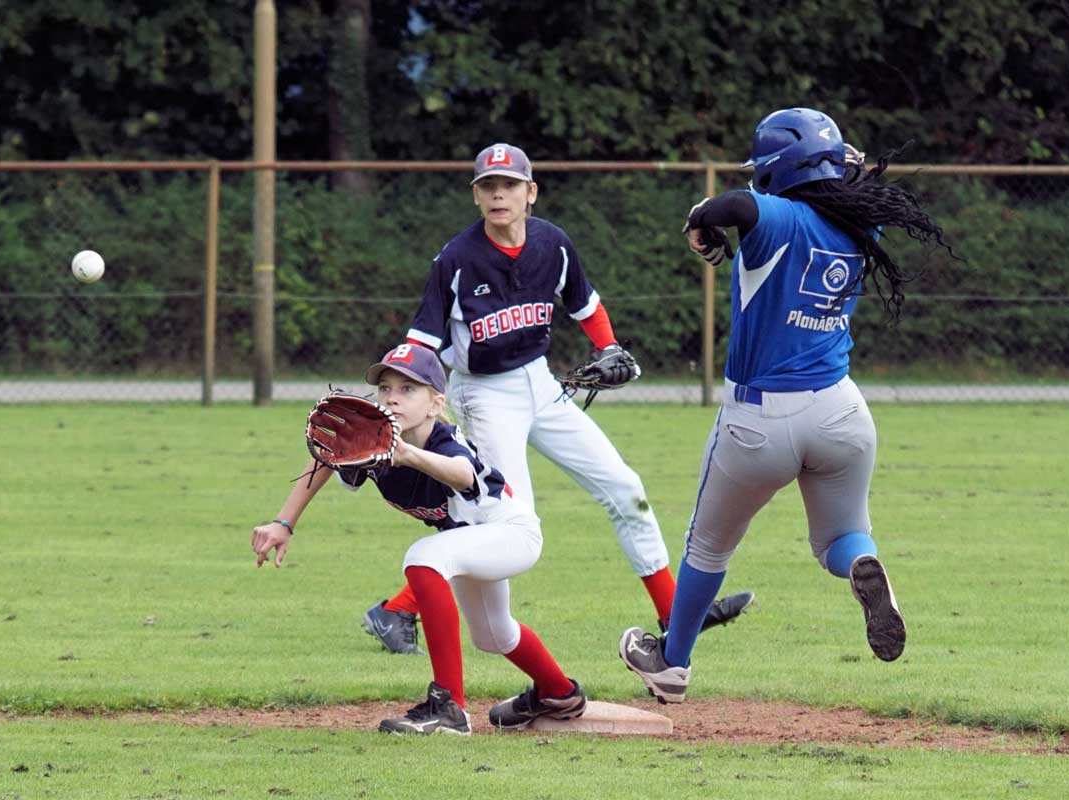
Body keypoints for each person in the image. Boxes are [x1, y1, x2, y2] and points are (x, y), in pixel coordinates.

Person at [360, 142, 755, 656]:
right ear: (477, 198)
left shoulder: (554, 244)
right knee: (505, 517)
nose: (498, 194)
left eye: (509, 185)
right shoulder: (457, 260)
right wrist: (393, 401)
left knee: (626, 488)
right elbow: (421, 343)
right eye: (487, 187)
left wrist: (608, 346)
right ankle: (396, 610)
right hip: (483, 393)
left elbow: (585, 304)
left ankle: (676, 615)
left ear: (531, 193)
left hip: (541, 384)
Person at [619, 107, 956, 703]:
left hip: (760, 421)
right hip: (841, 412)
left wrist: (700, 218)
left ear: (775, 170)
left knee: (708, 548)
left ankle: (672, 664)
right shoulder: (860, 226)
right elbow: (800, 190)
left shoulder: (778, 216)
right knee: (841, 538)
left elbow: (739, 207)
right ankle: (863, 569)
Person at [252, 344, 587, 734]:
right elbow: (327, 456)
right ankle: (559, 693)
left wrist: (408, 454)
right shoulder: (376, 443)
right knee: (494, 634)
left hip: (512, 532)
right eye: (386, 387)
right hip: (469, 542)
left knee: (423, 557)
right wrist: (284, 523)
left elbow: (462, 474)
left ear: (434, 403)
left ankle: (449, 709)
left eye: (408, 388)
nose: (393, 396)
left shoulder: (443, 440)